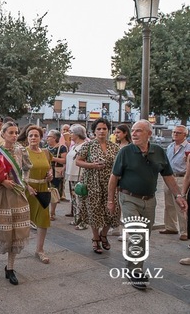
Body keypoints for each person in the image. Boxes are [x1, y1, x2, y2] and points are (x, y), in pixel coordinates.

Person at [108, 119, 188, 289]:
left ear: (149, 134)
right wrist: (110, 201)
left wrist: (179, 196)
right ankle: (135, 271)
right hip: (128, 197)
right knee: (136, 233)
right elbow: (114, 178)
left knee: (145, 235)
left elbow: (168, 176)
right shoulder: (125, 152)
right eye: (133, 131)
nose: (134, 134)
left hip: (150, 200)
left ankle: (134, 264)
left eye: (139, 131)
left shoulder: (159, 151)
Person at [0, 122, 32, 285]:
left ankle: (10, 268)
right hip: (1, 196)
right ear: (3, 135)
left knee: (17, 232)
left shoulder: (20, 150)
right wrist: (2, 182)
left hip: (17, 194)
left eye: (16, 132)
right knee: (1, 231)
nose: (14, 135)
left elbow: (27, 167)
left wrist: (24, 182)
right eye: (11, 132)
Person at [76, 118, 120, 255]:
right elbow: (78, 161)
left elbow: (119, 165)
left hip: (110, 184)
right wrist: (92, 165)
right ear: (94, 131)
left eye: (104, 128)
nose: (102, 131)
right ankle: (95, 238)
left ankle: (104, 235)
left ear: (108, 130)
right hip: (93, 183)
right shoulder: (88, 145)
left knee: (112, 211)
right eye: (99, 129)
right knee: (94, 211)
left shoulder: (114, 147)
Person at [25, 125, 53, 263]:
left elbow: (49, 167)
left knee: (43, 219)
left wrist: (50, 174)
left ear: (41, 138)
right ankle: (15, 246)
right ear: (27, 138)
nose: (33, 138)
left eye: (36, 135)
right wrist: (27, 186)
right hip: (27, 188)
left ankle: (39, 250)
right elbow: (18, 172)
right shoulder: (22, 152)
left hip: (42, 188)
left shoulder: (46, 152)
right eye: (31, 135)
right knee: (22, 219)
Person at [159, 125, 188, 241]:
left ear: (185, 135)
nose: (175, 134)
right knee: (168, 204)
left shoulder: (188, 148)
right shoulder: (170, 146)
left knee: (181, 205)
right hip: (169, 177)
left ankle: (185, 231)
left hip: (181, 177)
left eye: (178, 133)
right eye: (174, 132)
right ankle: (171, 227)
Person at [64, 124, 88, 230]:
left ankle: (82, 222)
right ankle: (76, 219)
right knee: (74, 199)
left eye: (71, 132)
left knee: (80, 199)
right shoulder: (73, 146)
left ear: (77, 134)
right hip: (71, 174)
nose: (69, 134)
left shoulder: (84, 145)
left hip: (79, 176)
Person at [46, 129, 68, 219]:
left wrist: (54, 159)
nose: (47, 138)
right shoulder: (45, 147)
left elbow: (64, 160)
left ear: (54, 138)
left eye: (49, 137)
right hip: (46, 170)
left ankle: (52, 212)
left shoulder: (61, 147)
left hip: (56, 171)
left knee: (53, 191)